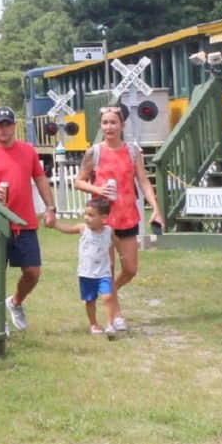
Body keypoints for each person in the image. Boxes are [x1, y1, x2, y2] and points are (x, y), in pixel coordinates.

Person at [0, 105, 59, 333]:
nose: (5, 129)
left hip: (24, 222)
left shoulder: (27, 151)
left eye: (8, 124)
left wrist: (50, 207)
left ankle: (15, 302)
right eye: (0, 125)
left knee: (32, 272)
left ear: (14, 126)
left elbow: (40, 178)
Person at [74, 105, 164, 331]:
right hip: (103, 222)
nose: (109, 127)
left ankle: (108, 291)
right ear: (101, 126)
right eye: (105, 123)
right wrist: (98, 189)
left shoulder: (132, 151)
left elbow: (143, 181)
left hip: (127, 217)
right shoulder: (94, 152)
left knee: (130, 269)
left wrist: (155, 208)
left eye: (114, 122)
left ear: (122, 125)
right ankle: (114, 317)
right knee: (108, 268)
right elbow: (78, 181)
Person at [54, 196, 120, 337]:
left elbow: (115, 242)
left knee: (108, 297)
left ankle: (110, 324)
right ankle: (93, 324)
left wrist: (121, 256)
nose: (86, 218)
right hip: (86, 273)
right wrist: (54, 224)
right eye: (85, 214)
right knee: (90, 301)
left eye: (91, 215)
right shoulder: (83, 229)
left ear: (103, 218)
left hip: (103, 272)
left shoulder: (109, 231)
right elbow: (67, 229)